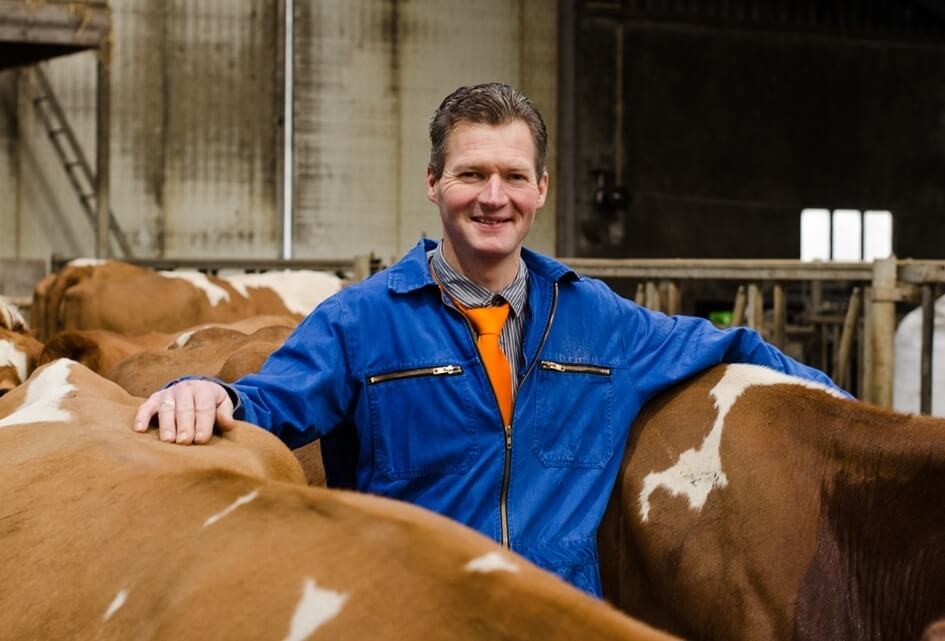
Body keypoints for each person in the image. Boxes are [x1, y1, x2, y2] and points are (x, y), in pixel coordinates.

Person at [134, 82, 847, 597]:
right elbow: (269, 402)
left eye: (512, 176)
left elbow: (735, 346)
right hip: (412, 615)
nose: (492, 196)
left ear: (540, 188)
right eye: (471, 173)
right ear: (434, 182)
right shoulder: (362, 318)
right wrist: (203, 390)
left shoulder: (597, 318)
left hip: (554, 619)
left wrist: (851, 418)